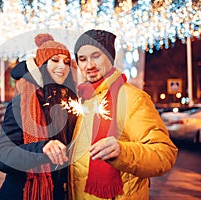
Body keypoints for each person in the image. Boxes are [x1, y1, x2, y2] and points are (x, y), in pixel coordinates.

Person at [69, 29, 178, 200]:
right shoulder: (85, 99)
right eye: (82, 59)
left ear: (110, 58)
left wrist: (122, 152)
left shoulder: (133, 98)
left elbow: (164, 154)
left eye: (96, 56)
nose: (89, 65)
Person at [0, 33, 78, 200]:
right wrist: (41, 149)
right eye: (55, 60)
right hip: (23, 193)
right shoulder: (22, 103)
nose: (62, 66)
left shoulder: (70, 104)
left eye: (66, 62)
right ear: (42, 64)